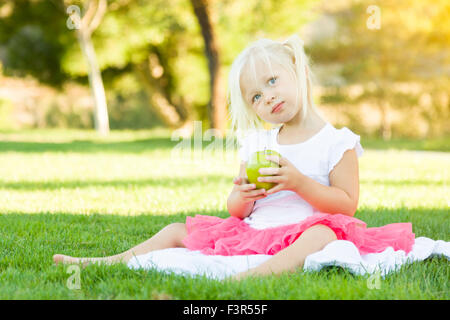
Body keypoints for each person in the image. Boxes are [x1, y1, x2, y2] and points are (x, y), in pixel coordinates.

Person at [53, 34, 415, 281]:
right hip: (256, 231)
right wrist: (243, 195)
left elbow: (346, 205)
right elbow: (236, 210)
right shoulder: (259, 143)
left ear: (299, 72)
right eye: (256, 97)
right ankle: (106, 262)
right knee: (178, 230)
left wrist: (298, 182)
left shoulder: (337, 142)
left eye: (273, 81)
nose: (267, 98)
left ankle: (251, 278)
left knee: (322, 235)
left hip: (305, 230)